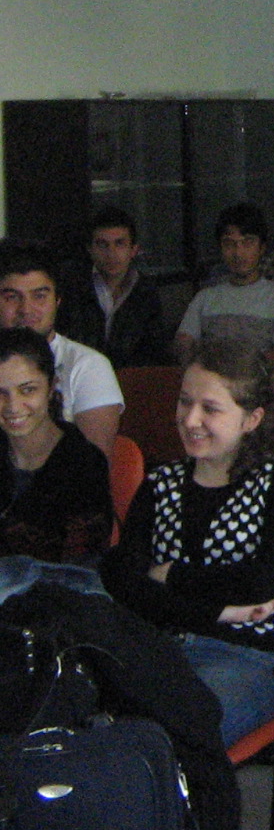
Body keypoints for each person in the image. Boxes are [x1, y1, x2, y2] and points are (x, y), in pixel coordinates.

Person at [100, 338, 274, 748]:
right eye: (185, 402)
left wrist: (169, 574)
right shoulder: (160, 483)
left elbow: (260, 582)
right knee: (89, 723)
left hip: (247, 656)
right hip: (156, 646)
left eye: (210, 408)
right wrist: (220, 611)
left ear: (251, 419)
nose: (190, 419)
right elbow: (124, 584)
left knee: (175, 732)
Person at [0, 327, 113, 564]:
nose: (12, 406)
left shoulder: (84, 464)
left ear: (52, 388)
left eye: (27, 390)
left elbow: (82, 565)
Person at [0, 243, 124, 457]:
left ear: (57, 301)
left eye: (39, 296)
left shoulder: (88, 366)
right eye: (12, 297)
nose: (26, 309)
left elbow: (92, 464)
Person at [174, 204, 274, 368]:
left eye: (247, 243)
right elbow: (184, 345)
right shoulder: (205, 297)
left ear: (262, 248)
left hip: (258, 381)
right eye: (229, 244)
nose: (238, 253)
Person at [59, 205, 170, 368]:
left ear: (134, 250)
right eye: (102, 245)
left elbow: (155, 351)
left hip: (129, 378)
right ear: (90, 249)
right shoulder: (72, 287)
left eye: (120, 244)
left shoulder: (146, 292)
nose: (111, 254)